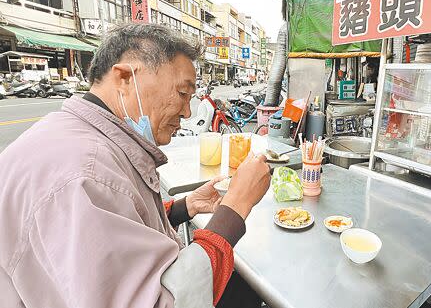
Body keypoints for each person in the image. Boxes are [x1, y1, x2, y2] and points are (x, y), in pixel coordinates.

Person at [0, 24, 270, 308]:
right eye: (182, 93)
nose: (187, 112)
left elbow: (117, 224)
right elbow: (162, 303)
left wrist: (185, 206)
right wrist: (236, 206)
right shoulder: (85, 174)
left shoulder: (73, 134)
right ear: (125, 78)